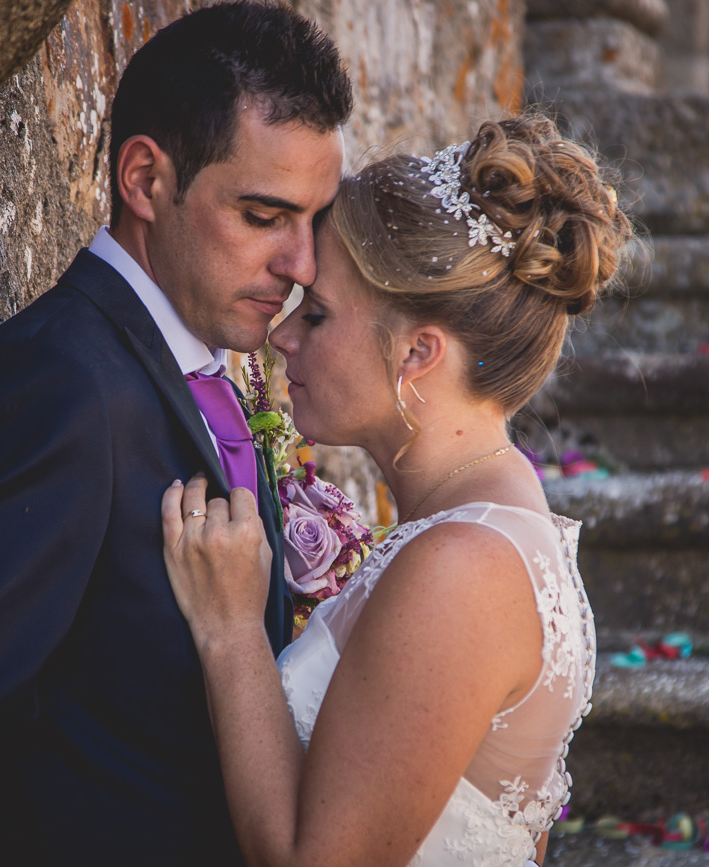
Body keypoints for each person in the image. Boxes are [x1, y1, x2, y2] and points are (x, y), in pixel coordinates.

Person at [0, 4, 352, 864]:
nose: (300, 265)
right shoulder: (58, 385)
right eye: (264, 216)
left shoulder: (209, 363)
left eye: (313, 220)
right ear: (146, 180)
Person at [159, 113, 633, 866]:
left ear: (418, 353)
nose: (282, 336)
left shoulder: (465, 567)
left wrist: (231, 630)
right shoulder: (486, 528)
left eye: (316, 314)